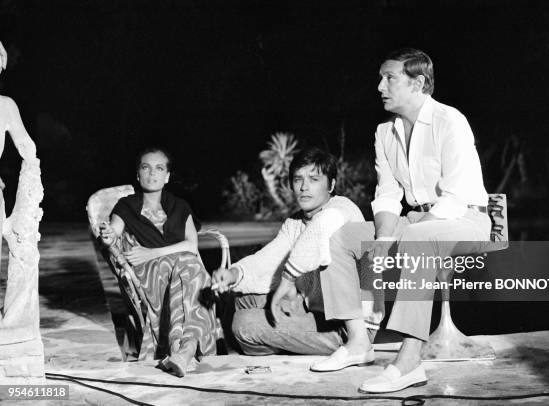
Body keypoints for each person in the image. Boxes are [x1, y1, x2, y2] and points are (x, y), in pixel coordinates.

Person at [271, 48, 491, 393]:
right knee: (340, 237)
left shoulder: (450, 121)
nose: (379, 86)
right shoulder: (384, 133)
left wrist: (405, 237)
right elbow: (388, 195)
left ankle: (409, 362)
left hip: (465, 220)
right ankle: (358, 342)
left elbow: (455, 197)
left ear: (418, 83)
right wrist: (384, 239)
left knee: (420, 239)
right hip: (418, 219)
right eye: (380, 78)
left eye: (389, 78)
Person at [212, 147, 378, 356]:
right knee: (241, 298)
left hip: (348, 326)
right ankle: (254, 349)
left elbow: (322, 228)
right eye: (298, 179)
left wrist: (289, 277)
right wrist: (233, 274)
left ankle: (283, 345)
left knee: (244, 324)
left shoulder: (343, 208)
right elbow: (268, 259)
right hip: (310, 310)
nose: (304, 187)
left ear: (331, 185)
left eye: (314, 179)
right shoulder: (295, 222)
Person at [99, 147, 217, 377]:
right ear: (138, 174)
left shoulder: (180, 206)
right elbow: (113, 231)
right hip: (150, 275)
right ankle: (186, 348)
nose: (152, 173)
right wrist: (109, 235)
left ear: (167, 176)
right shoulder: (126, 205)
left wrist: (152, 252)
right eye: (146, 167)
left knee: (188, 264)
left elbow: (191, 245)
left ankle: (181, 349)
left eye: (159, 168)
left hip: (176, 268)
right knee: (193, 269)